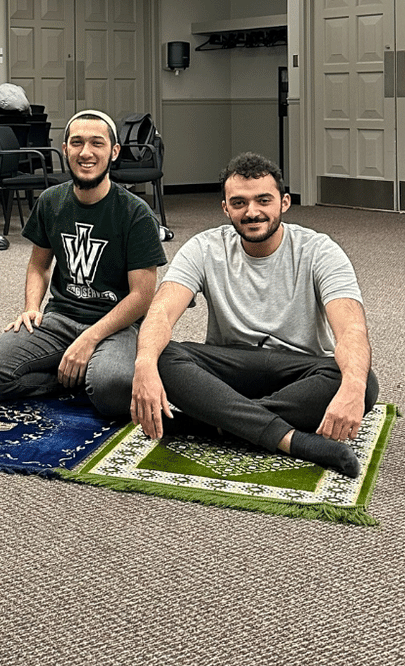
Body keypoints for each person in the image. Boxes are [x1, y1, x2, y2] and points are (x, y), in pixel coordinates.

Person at [130, 152, 378, 477]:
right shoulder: (204, 247)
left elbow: (351, 331)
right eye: (239, 203)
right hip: (229, 368)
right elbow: (161, 312)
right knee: (163, 354)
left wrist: (353, 387)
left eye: (263, 200)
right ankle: (292, 440)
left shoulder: (320, 251)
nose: (252, 212)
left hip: (297, 372)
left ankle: (214, 422)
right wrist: (144, 365)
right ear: (225, 208)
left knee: (362, 382)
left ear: (284, 203)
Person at [0, 110, 167, 417]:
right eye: (76, 143)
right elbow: (39, 266)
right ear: (65, 150)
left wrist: (89, 338)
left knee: (111, 389)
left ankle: (87, 369)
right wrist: (32, 307)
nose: (86, 152)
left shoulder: (135, 213)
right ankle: (69, 379)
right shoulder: (50, 201)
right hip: (60, 319)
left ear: (113, 152)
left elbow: (141, 297)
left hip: (117, 325)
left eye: (96, 143)